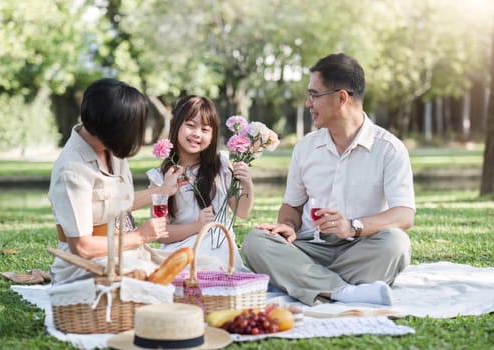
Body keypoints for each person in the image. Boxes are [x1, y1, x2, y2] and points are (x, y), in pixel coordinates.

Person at [242, 53, 415, 306]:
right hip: (311, 249)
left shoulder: (389, 148)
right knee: (255, 242)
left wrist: (352, 226)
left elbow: (404, 216)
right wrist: (288, 226)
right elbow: (291, 206)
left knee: (396, 244)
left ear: (341, 97)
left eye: (314, 94)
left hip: (361, 249)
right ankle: (344, 291)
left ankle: (304, 281)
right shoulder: (305, 148)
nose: (308, 103)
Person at [48, 78, 183, 284]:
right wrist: (140, 236)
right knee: (151, 280)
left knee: (198, 265)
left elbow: (118, 203)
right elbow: (82, 247)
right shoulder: (72, 171)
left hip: (128, 252)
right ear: (112, 127)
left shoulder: (112, 149)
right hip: (89, 264)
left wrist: (163, 190)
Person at [146, 95, 254, 272]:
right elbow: (161, 234)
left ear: (212, 136)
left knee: (216, 270)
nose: (197, 133)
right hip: (181, 251)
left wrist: (247, 185)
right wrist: (197, 226)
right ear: (176, 124)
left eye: (205, 129)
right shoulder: (161, 177)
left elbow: (241, 211)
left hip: (219, 248)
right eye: (190, 125)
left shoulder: (221, 165)